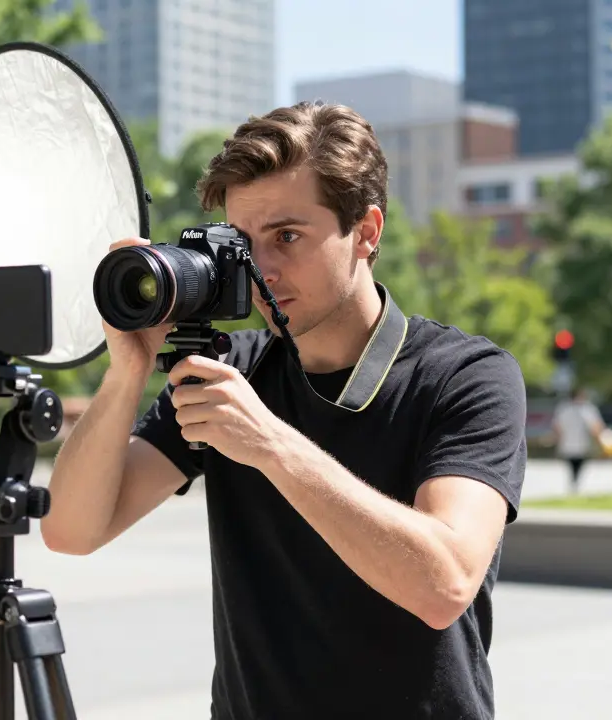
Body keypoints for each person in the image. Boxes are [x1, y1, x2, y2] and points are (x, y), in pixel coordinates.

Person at [40, 101, 528, 719]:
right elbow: (71, 531)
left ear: (368, 232)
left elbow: (445, 583)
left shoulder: (467, 376)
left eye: (288, 237)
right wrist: (127, 371)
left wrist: (271, 445)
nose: (262, 268)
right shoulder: (229, 369)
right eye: (242, 243)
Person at [550, 387, 607, 492]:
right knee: (576, 463)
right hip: (576, 443)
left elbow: (557, 425)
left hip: (575, 442)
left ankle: (574, 481)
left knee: (575, 463)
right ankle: (575, 481)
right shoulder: (585, 409)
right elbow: (597, 425)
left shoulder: (566, 408)